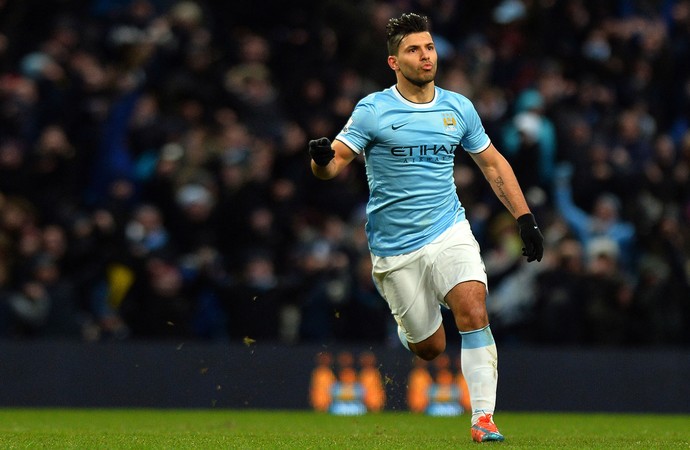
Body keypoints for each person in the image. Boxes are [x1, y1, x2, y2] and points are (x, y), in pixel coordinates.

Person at [307, 13, 544, 443]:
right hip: (395, 248)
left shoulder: (458, 107)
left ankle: (483, 419)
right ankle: (412, 324)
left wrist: (524, 218)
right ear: (394, 62)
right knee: (430, 348)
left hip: (448, 228)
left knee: (474, 309)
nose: (425, 56)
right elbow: (334, 164)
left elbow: (492, 164)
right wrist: (322, 160)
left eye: (429, 47)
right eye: (414, 50)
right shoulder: (374, 110)